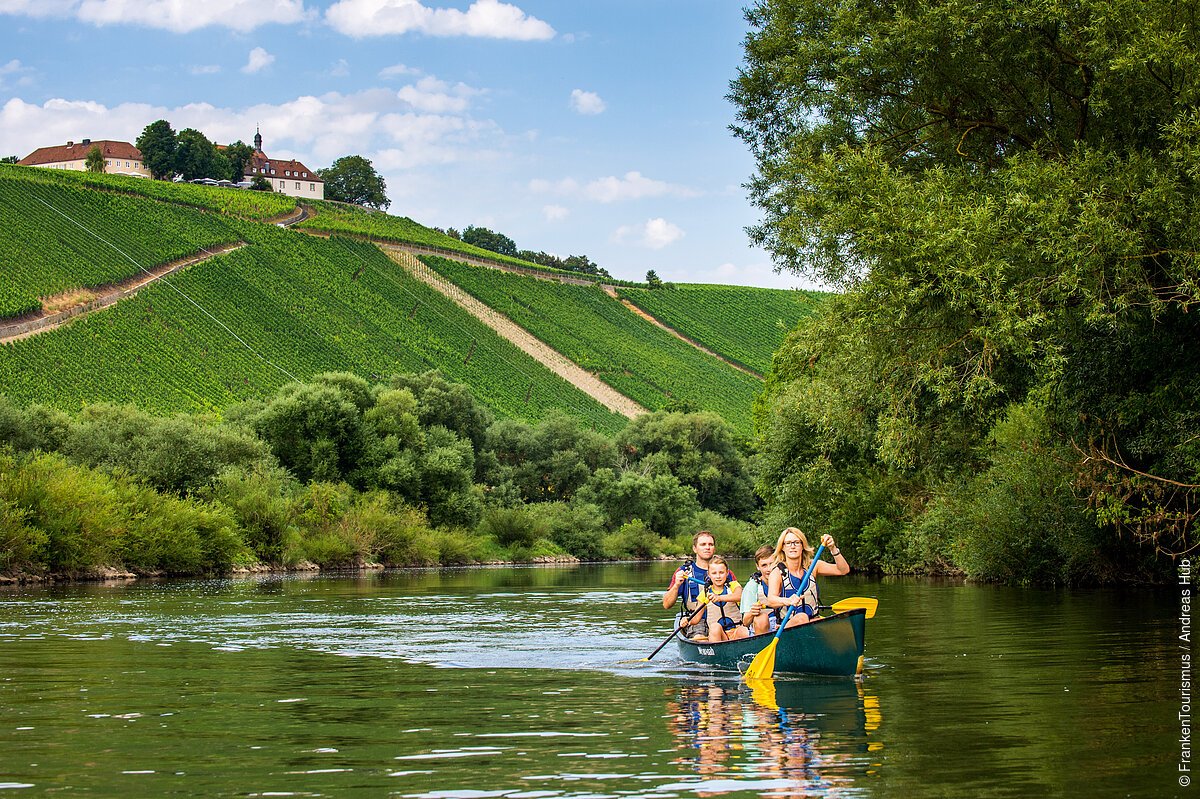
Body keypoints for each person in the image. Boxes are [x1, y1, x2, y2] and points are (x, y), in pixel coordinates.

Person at [765, 527, 849, 629]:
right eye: (788, 543)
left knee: (828, 622)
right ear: (782, 547)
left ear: (802, 545)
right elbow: (771, 600)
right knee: (802, 617)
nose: (793, 546)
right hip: (788, 627)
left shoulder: (813, 566)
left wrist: (833, 548)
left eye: (796, 542)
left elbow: (843, 570)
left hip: (813, 622)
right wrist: (788, 601)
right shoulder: (778, 572)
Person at [663, 531, 740, 640]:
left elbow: (740, 595)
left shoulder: (726, 573)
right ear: (695, 548)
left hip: (724, 618)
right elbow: (666, 605)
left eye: (710, 544)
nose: (707, 547)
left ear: (714, 548)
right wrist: (676, 585)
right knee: (699, 637)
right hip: (698, 620)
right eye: (703, 544)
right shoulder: (684, 572)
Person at [704, 556, 749, 642]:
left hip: (736, 632)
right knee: (715, 627)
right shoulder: (705, 593)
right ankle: (717, 653)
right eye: (714, 573)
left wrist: (719, 597)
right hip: (719, 636)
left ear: (727, 573)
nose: (718, 576)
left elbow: (740, 596)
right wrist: (687, 621)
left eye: (721, 572)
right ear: (709, 574)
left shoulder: (734, 585)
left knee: (743, 630)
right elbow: (696, 619)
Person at [739, 545, 778, 636]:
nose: (769, 569)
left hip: (784, 625)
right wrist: (752, 612)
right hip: (762, 628)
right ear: (758, 567)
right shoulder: (752, 586)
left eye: (772, 564)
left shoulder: (786, 580)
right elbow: (745, 622)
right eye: (764, 565)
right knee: (761, 618)